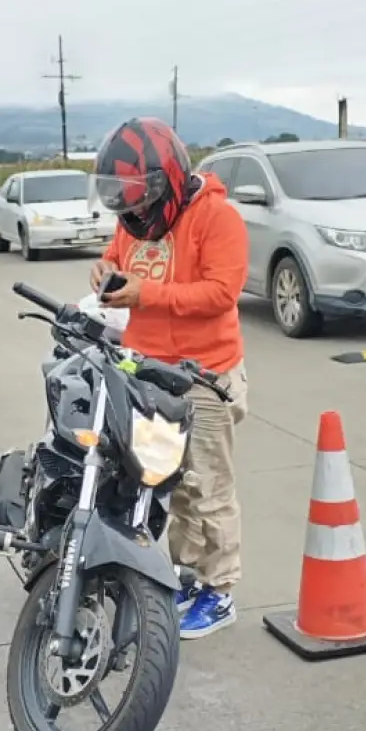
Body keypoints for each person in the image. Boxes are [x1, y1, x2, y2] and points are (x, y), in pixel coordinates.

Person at [87, 116, 250, 640]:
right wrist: (103, 272)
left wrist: (145, 295)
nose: (133, 211)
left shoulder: (217, 218)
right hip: (146, 372)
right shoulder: (132, 220)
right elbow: (119, 259)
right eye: (124, 201)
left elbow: (220, 294)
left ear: (168, 181)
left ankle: (220, 590)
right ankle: (185, 574)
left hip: (202, 378)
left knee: (208, 487)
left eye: (139, 198)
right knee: (169, 483)